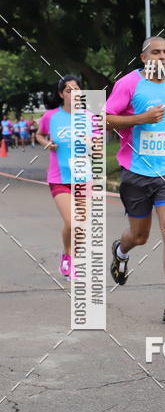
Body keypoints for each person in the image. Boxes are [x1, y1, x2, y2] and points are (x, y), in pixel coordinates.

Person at [105, 36, 165, 323]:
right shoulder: (129, 84)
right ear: (144, 58)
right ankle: (121, 251)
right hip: (135, 171)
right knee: (139, 236)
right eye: (155, 53)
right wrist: (141, 118)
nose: (162, 57)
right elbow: (104, 117)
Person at [36, 75, 93, 279]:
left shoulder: (89, 117)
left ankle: (73, 260)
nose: (74, 94)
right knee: (72, 222)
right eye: (69, 91)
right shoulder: (51, 117)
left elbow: (96, 145)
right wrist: (47, 144)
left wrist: (91, 143)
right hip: (59, 177)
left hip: (83, 176)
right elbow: (39, 134)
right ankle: (67, 256)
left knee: (81, 224)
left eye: (77, 90)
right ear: (61, 94)